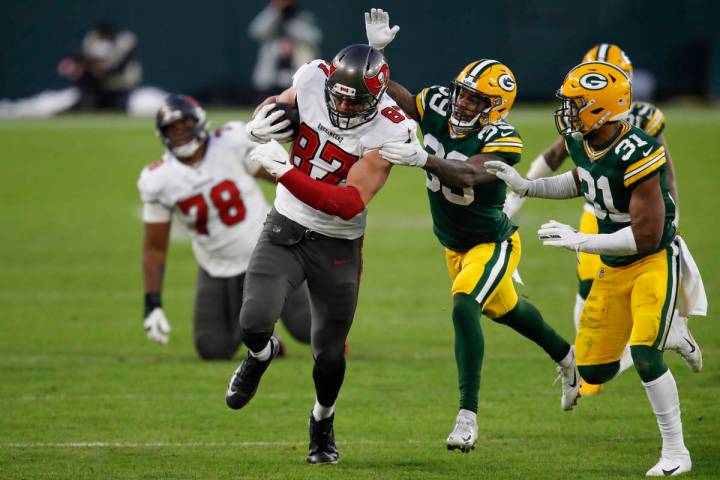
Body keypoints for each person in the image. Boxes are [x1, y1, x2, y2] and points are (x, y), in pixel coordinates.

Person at [364, 9, 580, 453]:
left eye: (475, 99)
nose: (462, 103)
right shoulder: (442, 103)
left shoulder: (506, 139)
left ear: (495, 108)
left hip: (492, 242)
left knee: (465, 307)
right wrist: (377, 55)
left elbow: (467, 175)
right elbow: (401, 98)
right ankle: (567, 356)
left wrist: (423, 159)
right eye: (462, 93)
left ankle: (467, 417)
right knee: (508, 310)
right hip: (453, 245)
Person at [485, 61, 706, 476]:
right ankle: (673, 333)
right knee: (593, 370)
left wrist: (580, 240)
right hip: (614, 265)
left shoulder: (641, 150)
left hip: (653, 260)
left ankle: (677, 452)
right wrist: (527, 186)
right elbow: (582, 180)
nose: (567, 112)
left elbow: (645, 235)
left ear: (602, 109)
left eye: (576, 104)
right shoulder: (585, 140)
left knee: (644, 354)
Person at [224, 43, 419, 465]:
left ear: (379, 96)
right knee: (253, 321)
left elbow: (349, 202)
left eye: (357, 100)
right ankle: (261, 354)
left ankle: (322, 421)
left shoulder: (392, 127)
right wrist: (260, 121)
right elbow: (279, 104)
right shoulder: (313, 77)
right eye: (340, 95)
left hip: (337, 241)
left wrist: (283, 170)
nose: (345, 106)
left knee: (329, 354)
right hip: (285, 226)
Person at [137, 94, 311, 360]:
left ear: (200, 123)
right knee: (212, 348)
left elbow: (281, 177)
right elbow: (154, 248)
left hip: (267, 253)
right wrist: (152, 304)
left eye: (184, 126)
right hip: (217, 266)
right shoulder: (158, 179)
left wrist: (316, 197)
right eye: (172, 129)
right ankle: (266, 337)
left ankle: (306, 324)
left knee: (307, 326)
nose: (180, 134)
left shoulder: (230, 142)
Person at [58, 22, 143, 111]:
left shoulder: (125, 42)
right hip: (98, 87)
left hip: (122, 87)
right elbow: (84, 60)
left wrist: (100, 67)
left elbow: (117, 66)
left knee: (119, 107)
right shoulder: (91, 40)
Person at [248, 0, 322, 99]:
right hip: (270, 78)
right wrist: (275, 10)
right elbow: (255, 31)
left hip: (295, 76)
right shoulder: (271, 16)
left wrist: (291, 30)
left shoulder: (303, 17)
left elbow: (315, 36)